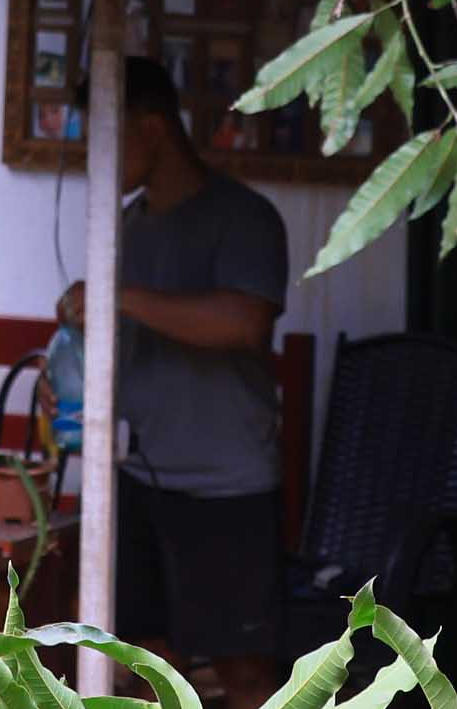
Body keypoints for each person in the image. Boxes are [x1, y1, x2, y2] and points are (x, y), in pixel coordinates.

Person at [58, 52, 294, 676]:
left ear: (152, 126)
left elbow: (244, 323)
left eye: (104, 136)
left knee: (246, 669)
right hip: (135, 479)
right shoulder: (125, 229)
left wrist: (117, 295)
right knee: (146, 667)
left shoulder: (244, 217)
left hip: (226, 484)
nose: (95, 157)